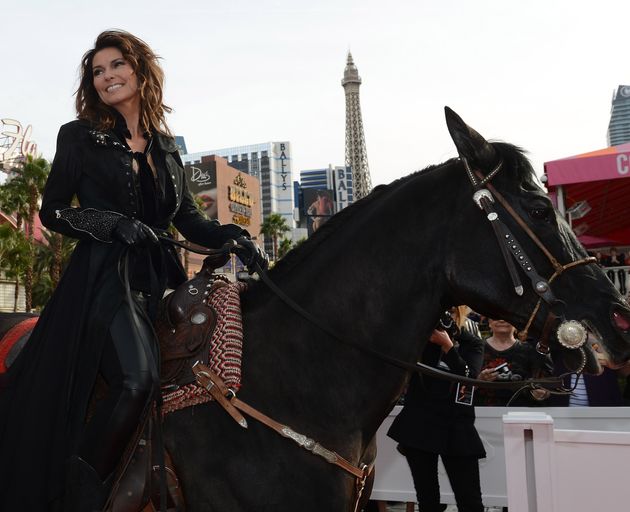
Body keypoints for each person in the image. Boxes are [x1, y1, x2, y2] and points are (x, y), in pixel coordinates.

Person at [0, 30, 267, 512]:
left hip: (157, 279)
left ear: (140, 71)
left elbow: (187, 218)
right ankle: (81, 499)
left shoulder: (165, 146)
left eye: (116, 65)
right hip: (101, 278)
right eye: (98, 71)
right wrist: (112, 223)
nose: (107, 77)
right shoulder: (78, 135)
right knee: (136, 380)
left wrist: (233, 238)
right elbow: (54, 211)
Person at [387, 306, 486, 512]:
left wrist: (448, 347)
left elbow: (468, 377)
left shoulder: (472, 343)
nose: (447, 316)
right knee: (428, 501)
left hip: (458, 425)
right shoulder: (422, 340)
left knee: (470, 501)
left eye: (451, 311)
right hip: (421, 422)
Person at [475, 318, 553, 406]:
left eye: (506, 316)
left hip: (520, 414)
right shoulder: (475, 349)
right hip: (480, 412)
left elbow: (547, 386)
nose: (501, 320)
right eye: (495, 316)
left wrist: (540, 393)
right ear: (489, 322)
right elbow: (461, 389)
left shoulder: (531, 351)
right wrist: (478, 381)